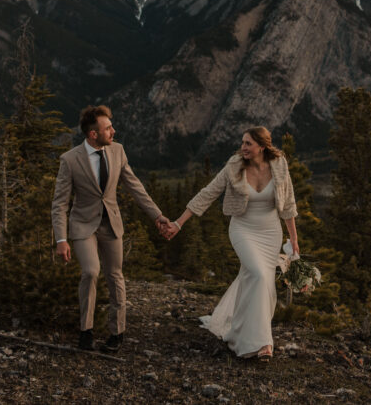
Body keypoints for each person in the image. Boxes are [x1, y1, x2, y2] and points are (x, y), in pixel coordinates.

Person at [166, 127, 298, 361]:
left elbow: (288, 204)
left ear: (262, 146)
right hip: (243, 229)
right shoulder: (234, 165)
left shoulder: (279, 164)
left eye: (248, 143)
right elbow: (208, 193)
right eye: (242, 143)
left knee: (264, 282)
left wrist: (294, 241)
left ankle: (251, 336)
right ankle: (258, 342)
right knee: (258, 275)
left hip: (271, 232)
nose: (243, 147)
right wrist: (178, 223)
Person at [51, 105, 174, 352]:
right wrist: (61, 239)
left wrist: (157, 216)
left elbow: (135, 186)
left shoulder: (117, 151)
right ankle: (86, 331)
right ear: (92, 134)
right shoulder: (70, 160)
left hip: (111, 223)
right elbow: (60, 202)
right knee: (90, 272)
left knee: (115, 275)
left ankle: (117, 333)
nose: (113, 131)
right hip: (83, 225)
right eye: (108, 128)